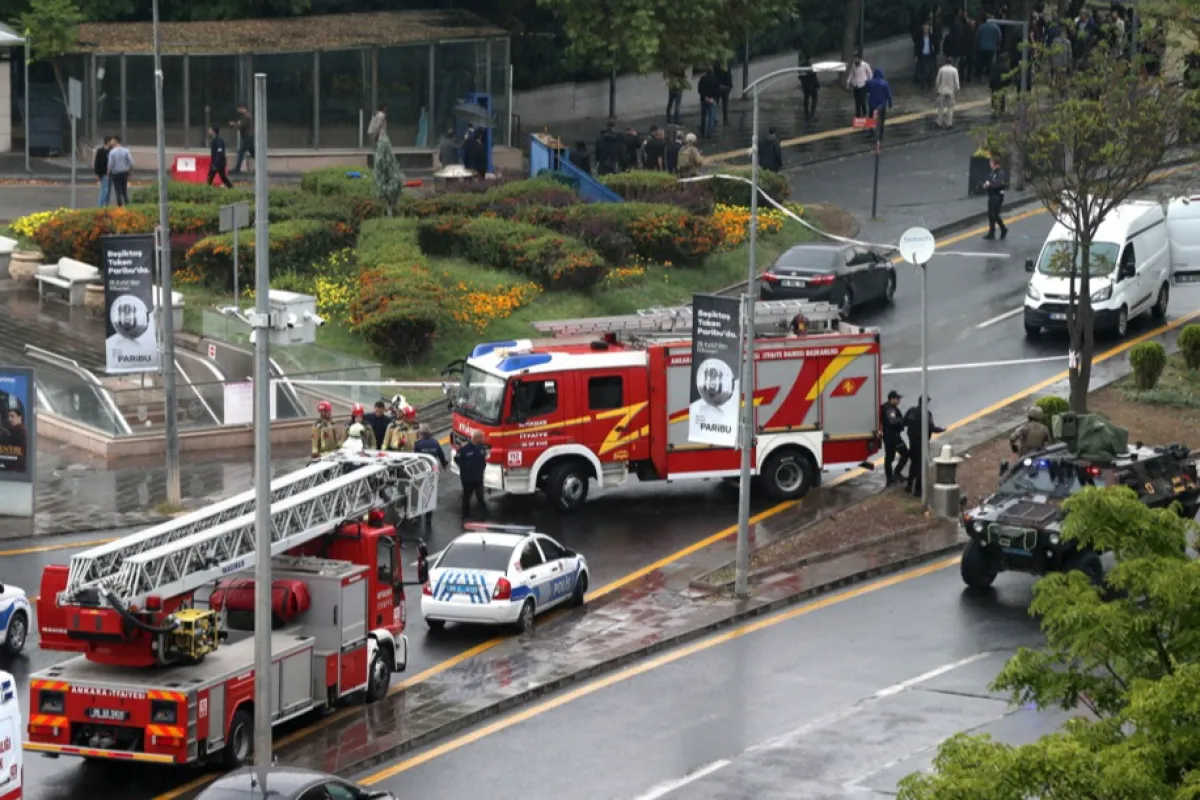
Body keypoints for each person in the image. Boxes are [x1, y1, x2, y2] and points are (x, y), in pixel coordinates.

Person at [904, 397, 945, 498]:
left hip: (912, 442)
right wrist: (942, 430)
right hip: (922, 443)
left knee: (913, 465)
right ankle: (918, 490)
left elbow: (904, 422)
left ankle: (909, 486)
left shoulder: (911, 411)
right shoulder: (927, 413)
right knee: (921, 467)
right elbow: (931, 427)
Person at [454, 430, 489, 517]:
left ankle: (483, 516)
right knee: (466, 498)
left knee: (481, 497)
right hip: (468, 479)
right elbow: (457, 459)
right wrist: (465, 468)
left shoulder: (482, 447)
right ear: (476, 438)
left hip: (478, 478)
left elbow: (483, 458)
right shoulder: (464, 449)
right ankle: (465, 516)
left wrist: (481, 469)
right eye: (481, 437)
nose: (483, 439)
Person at [880, 390, 909, 485]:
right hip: (893, 437)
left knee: (889, 457)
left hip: (888, 437)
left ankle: (890, 478)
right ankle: (896, 473)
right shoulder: (890, 409)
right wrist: (902, 420)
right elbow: (893, 421)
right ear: (891, 399)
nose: (899, 400)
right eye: (897, 399)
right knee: (905, 453)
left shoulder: (887, 407)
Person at [982, 156, 1008, 240]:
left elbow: (998, 184)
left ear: (995, 164)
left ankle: (1003, 229)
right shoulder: (993, 172)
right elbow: (990, 180)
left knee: (995, 215)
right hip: (991, 195)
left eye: (991, 163)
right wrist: (986, 184)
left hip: (997, 196)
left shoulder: (1000, 173)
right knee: (990, 215)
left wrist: (989, 184)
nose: (990, 165)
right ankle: (991, 233)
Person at [934, 56, 961, 129]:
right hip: (951, 91)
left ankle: (939, 122)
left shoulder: (941, 69)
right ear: (951, 62)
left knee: (940, 108)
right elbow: (957, 82)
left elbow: (937, 81)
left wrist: (936, 89)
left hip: (942, 90)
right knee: (950, 108)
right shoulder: (954, 70)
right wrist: (957, 91)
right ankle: (949, 123)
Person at [106, 137, 133, 207]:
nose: (111, 143)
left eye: (112, 142)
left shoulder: (112, 152)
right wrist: (128, 168)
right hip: (124, 172)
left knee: (118, 191)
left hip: (116, 173)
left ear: (115, 142)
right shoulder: (126, 150)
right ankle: (127, 205)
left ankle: (120, 207)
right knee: (124, 190)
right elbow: (131, 162)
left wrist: (108, 173)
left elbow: (110, 164)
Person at [846, 52, 873, 118]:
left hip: (863, 85)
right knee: (857, 102)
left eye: (856, 59)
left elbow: (870, 73)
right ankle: (858, 115)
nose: (855, 61)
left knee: (862, 101)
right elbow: (851, 74)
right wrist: (848, 82)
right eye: (854, 59)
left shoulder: (865, 65)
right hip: (855, 85)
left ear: (859, 59)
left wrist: (869, 81)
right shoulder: (853, 66)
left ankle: (865, 113)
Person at [230, 103, 254, 174]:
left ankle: (237, 169)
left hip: (247, 137)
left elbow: (241, 125)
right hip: (248, 136)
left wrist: (233, 124)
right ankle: (260, 166)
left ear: (242, 108)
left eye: (239, 109)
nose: (238, 110)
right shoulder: (246, 116)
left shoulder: (246, 116)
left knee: (241, 152)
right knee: (253, 153)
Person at [913, 22, 939, 89]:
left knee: (931, 70)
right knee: (923, 70)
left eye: (927, 29)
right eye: (924, 29)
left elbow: (936, 44)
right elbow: (917, 47)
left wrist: (936, 53)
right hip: (922, 55)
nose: (926, 30)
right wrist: (916, 55)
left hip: (930, 55)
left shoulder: (932, 37)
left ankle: (930, 83)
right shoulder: (920, 38)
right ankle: (923, 83)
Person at [697, 67, 721, 138]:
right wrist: (714, 99)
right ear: (712, 72)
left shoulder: (702, 79)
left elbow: (700, 89)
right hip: (712, 100)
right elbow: (718, 91)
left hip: (704, 99)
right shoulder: (716, 80)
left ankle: (703, 129)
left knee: (704, 115)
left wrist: (705, 97)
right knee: (711, 117)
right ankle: (709, 132)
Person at [93, 137, 112, 207]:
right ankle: (100, 206)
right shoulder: (100, 151)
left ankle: (106, 205)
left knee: (108, 191)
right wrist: (97, 173)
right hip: (103, 173)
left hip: (111, 173)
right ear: (107, 142)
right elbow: (97, 162)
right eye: (111, 142)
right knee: (105, 190)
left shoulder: (111, 151)